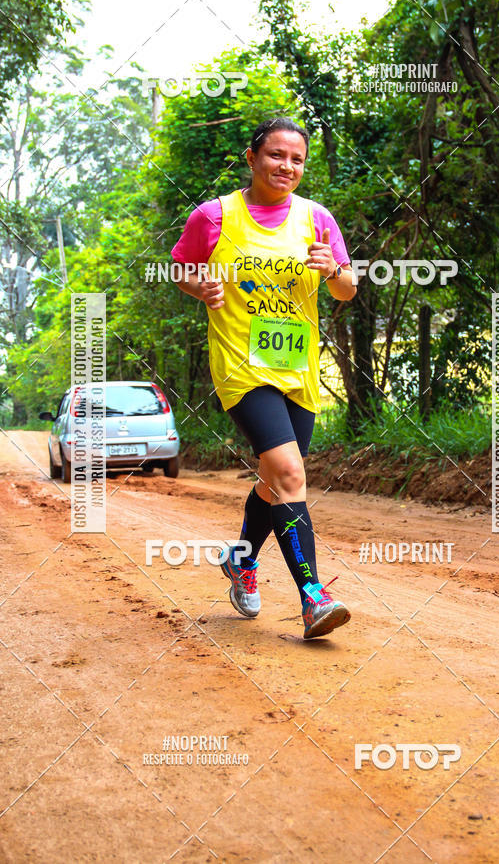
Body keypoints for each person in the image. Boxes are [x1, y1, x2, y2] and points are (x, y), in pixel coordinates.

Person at [172, 116, 357, 639]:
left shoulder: (317, 219)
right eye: (276, 155)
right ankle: (314, 598)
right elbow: (183, 266)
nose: (287, 166)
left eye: (297, 159)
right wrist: (201, 288)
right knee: (290, 475)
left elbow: (348, 289)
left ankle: (241, 559)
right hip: (241, 365)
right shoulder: (214, 216)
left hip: (297, 368)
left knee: (274, 483)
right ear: (252, 158)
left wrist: (334, 272)